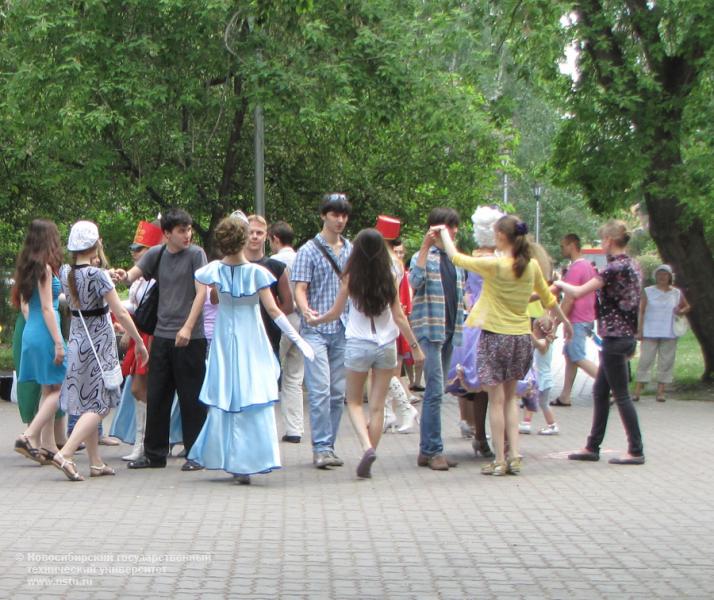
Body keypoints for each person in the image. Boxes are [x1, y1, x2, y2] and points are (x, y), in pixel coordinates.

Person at [439, 215, 572, 476]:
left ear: (500, 236)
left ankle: (499, 459)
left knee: (496, 401)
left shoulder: (495, 265)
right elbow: (548, 298)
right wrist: (566, 322)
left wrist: (443, 233)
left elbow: (456, 257)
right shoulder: (531, 266)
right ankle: (515, 455)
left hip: (494, 337)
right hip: (520, 339)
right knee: (511, 399)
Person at [188, 215, 314, 484]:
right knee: (252, 394)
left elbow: (210, 297)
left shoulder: (214, 271)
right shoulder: (257, 273)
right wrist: (300, 340)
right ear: (244, 240)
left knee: (228, 395)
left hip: (224, 339)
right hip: (251, 340)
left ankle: (230, 458)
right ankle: (247, 460)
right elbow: (274, 310)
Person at [306, 228, 424, 478]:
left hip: (358, 343)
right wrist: (415, 347)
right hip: (386, 345)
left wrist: (317, 321)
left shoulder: (350, 276)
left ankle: (366, 446)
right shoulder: (391, 273)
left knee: (355, 401)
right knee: (378, 406)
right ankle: (369, 453)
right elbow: (399, 316)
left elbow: (336, 312)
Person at [46, 221, 149, 481]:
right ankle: (65, 453)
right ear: (95, 244)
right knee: (101, 405)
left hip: (78, 341)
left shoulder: (67, 271)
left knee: (89, 402)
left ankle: (95, 462)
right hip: (99, 344)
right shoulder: (98, 275)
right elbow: (121, 312)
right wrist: (138, 341)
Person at [113, 208, 208, 471]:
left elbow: (202, 293)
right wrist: (121, 275)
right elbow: (133, 274)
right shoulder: (159, 253)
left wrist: (188, 328)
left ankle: (196, 453)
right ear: (167, 234)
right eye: (181, 231)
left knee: (191, 397)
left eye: (189, 229)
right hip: (163, 336)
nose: (187, 235)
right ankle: (154, 454)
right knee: (157, 395)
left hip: (191, 337)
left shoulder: (196, 255)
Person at [556, 220, 645, 465]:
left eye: (603, 239)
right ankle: (592, 446)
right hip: (622, 335)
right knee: (599, 391)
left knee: (622, 395)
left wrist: (558, 283)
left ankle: (635, 450)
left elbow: (577, 292)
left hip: (616, 337)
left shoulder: (614, 268)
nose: (602, 244)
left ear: (609, 240)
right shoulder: (634, 265)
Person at [292, 193, 353, 469]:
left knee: (338, 392)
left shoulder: (351, 249)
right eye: (334, 214)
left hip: (343, 328)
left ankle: (329, 445)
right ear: (323, 216)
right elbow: (300, 289)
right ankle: (320, 447)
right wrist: (304, 309)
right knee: (319, 389)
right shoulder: (308, 250)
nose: (339, 220)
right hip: (315, 329)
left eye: (343, 215)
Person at [409, 207, 466, 471]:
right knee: (433, 391)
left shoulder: (455, 260)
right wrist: (424, 247)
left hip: (449, 330)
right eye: (447, 227)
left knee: (438, 391)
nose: (452, 232)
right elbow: (415, 282)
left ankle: (427, 449)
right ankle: (434, 450)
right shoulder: (423, 257)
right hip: (429, 330)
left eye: (454, 227)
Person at [445, 205, 504, 458]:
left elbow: (467, 292)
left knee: (480, 388)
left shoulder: (474, 259)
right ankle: (497, 440)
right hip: (496, 323)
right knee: (500, 387)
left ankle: (481, 435)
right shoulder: (499, 260)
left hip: (474, 324)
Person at [13, 220, 68, 465]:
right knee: (59, 388)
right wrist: (58, 342)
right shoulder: (45, 268)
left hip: (31, 331)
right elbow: (47, 308)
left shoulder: (26, 267)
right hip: (46, 331)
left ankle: (47, 446)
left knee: (48, 389)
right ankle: (29, 436)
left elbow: (30, 305)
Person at [113, 220, 163, 461]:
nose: (135, 253)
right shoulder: (139, 280)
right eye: (134, 248)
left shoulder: (154, 278)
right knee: (139, 389)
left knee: (139, 388)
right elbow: (134, 306)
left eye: (140, 249)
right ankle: (143, 442)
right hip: (139, 333)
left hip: (150, 334)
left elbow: (145, 310)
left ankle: (146, 443)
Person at [268, 220, 305, 443]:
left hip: (281, 320)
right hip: (301, 323)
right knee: (294, 377)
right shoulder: (302, 258)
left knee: (271, 372)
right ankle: (295, 429)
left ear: (275, 239)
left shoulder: (273, 262)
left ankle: (269, 427)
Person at [551, 234, 598, 407]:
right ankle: (565, 395)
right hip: (584, 317)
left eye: (563, 246)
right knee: (570, 356)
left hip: (577, 319)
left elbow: (569, 299)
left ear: (572, 245)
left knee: (577, 356)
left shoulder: (576, 268)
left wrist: (556, 322)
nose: (562, 249)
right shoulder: (587, 266)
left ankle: (608, 384)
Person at [634, 264, 690, 402]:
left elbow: (686, 306)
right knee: (646, 360)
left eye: (665, 274)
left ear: (670, 277)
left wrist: (681, 311)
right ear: (655, 276)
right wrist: (639, 330)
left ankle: (660, 392)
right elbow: (641, 310)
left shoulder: (676, 292)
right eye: (659, 274)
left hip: (669, 330)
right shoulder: (648, 291)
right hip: (650, 330)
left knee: (666, 361)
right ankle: (637, 390)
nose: (662, 277)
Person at [244, 214, 294, 356]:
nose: (254, 236)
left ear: (266, 236)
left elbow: (288, 305)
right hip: (240, 339)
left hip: (269, 340)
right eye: (250, 232)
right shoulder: (232, 265)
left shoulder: (277, 267)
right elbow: (215, 298)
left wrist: (271, 318)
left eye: (259, 233)